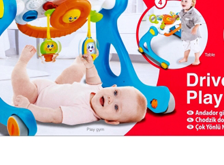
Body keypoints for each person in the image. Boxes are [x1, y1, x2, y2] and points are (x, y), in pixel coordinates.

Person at [12, 45, 147, 126]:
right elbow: (93, 78)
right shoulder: (98, 90)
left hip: (35, 99)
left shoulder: (83, 114)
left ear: (111, 120)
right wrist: (90, 66)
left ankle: (21, 63)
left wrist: (28, 107)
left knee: (22, 86)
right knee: (77, 71)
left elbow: (53, 116)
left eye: (116, 107)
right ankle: (80, 61)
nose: (111, 99)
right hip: (53, 86)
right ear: (112, 87)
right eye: (116, 93)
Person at [178, 0, 204, 65]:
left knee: (195, 47)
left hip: (193, 35)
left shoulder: (194, 14)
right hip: (185, 34)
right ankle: (185, 58)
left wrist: (195, 28)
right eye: (182, 0)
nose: (183, 2)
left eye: (186, 1)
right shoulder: (182, 11)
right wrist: (174, 18)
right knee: (185, 46)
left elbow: (198, 22)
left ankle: (197, 60)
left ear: (192, 3)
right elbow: (179, 15)